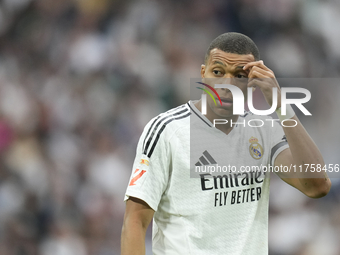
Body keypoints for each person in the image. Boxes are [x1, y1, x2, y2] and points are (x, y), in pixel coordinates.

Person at [121, 32, 331, 255]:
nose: (227, 84)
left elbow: (317, 186)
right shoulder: (167, 130)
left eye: (240, 75)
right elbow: (135, 221)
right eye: (218, 72)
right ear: (203, 74)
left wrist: (281, 104)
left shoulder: (263, 129)